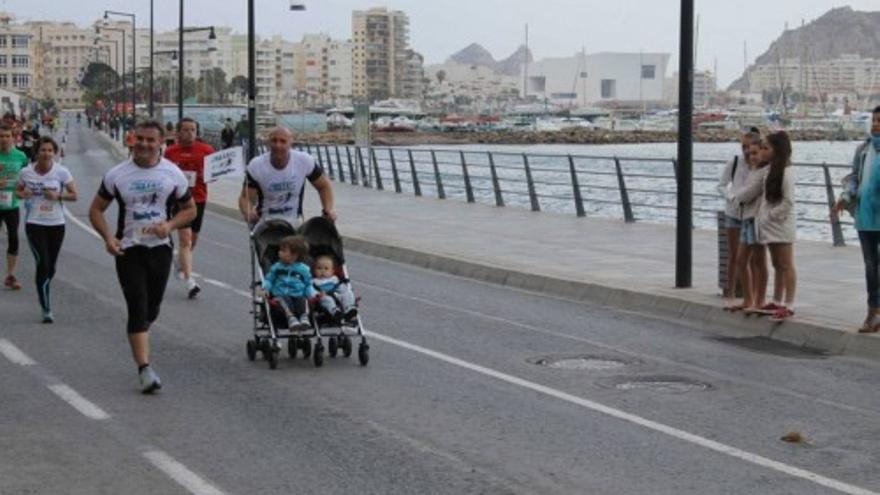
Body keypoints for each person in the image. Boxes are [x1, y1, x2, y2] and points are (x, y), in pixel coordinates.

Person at [88, 120, 196, 393]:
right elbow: (96, 210)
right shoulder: (117, 174)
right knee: (137, 304)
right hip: (128, 249)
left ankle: (139, 334)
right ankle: (144, 369)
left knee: (152, 308)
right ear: (132, 140)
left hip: (160, 249)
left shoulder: (172, 174)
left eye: (151, 140)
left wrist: (169, 226)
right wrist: (108, 238)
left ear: (162, 143)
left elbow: (190, 210)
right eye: (141, 139)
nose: (145, 144)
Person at [15, 137, 78, 322]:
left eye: (50, 150)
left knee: (51, 267)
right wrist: (23, 194)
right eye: (43, 150)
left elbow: (74, 195)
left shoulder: (61, 172)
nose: (47, 153)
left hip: (56, 224)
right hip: (35, 223)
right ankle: (46, 307)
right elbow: (17, 191)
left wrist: (58, 195)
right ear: (37, 152)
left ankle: (43, 288)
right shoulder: (26, 172)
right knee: (42, 263)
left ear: (54, 153)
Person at [834, 106, 880, 332]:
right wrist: (845, 196)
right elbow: (854, 177)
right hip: (866, 218)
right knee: (871, 266)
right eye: (874, 120)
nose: (876, 124)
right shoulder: (864, 149)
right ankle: (873, 312)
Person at [238, 127, 336, 226]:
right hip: (265, 223)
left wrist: (328, 210)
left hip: (294, 222)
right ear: (268, 143)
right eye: (274, 141)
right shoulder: (256, 165)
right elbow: (245, 198)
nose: (278, 145)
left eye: (283, 141)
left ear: (290, 144)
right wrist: (248, 212)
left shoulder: (303, 161)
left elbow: (324, 186)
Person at [164, 118, 216, 298]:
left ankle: (180, 261)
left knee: (192, 241)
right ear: (178, 132)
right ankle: (190, 281)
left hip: (199, 198)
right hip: (179, 201)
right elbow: (164, 174)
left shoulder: (206, 151)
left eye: (192, 129)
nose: (189, 133)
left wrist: (206, 175)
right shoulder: (170, 152)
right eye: (185, 130)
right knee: (185, 240)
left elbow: (214, 174)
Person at [756, 131, 797, 321]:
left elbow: (788, 201)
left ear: (777, 150)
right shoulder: (770, 169)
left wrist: (771, 215)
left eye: (766, 148)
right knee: (776, 264)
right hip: (770, 224)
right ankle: (777, 300)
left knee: (786, 264)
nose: (762, 151)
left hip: (780, 225)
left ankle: (789, 304)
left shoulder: (786, 172)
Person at [717, 129, 757, 309]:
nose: (746, 151)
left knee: (754, 257)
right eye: (743, 147)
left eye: (749, 147)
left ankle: (754, 295)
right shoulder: (734, 162)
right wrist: (731, 197)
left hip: (752, 214)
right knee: (734, 256)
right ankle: (730, 293)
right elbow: (721, 185)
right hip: (733, 213)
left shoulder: (759, 164)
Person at [730, 135, 769, 314]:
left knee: (759, 261)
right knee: (741, 260)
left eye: (755, 152)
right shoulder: (753, 171)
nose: (751, 155)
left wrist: (737, 196)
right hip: (747, 218)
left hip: (756, 219)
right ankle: (748, 299)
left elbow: (747, 193)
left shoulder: (763, 172)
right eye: (748, 152)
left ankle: (759, 301)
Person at [260, 235, 315, 330]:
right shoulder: (277, 268)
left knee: (303, 300)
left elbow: (308, 284)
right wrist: (265, 289)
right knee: (284, 300)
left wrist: (311, 295)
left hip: (298, 295)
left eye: (283, 251)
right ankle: (291, 318)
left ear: (294, 255)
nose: (279, 253)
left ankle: (304, 317)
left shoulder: (303, 270)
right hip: (280, 295)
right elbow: (269, 279)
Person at [0, 123, 28, 290]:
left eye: (7, 136)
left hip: (11, 204)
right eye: (1, 136)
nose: (4, 139)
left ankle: (10, 275)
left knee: (14, 239)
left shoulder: (21, 156)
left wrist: (24, 190)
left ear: (13, 137)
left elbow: (27, 178)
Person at [312, 254, 357, 323]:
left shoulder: (334, 279)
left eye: (326, 268)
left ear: (332, 271)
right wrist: (317, 294)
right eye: (319, 268)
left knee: (347, 293)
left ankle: (349, 309)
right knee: (327, 300)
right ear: (314, 270)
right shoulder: (314, 281)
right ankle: (335, 313)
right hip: (324, 297)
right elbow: (311, 291)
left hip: (337, 295)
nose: (322, 271)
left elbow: (341, 288)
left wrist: (345, 291)